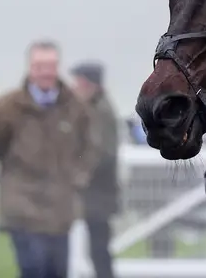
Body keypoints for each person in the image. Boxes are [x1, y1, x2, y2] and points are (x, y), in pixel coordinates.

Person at [0, 39, 100, 278]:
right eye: (40, 66)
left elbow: (91, 149)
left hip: (59, 211)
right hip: (21, 207)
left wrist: (78, 177)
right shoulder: (8, 108)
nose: (45, 72)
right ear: (30, 68)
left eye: (50, 66)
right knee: (34, 268)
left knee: (56, 271)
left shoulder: (76, 108)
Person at [69, 61, 119, 278]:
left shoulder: (101, 112)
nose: (74, 88)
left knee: (99, 251)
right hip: (96, 193)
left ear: (91, 85)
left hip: (98, 194)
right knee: (97, 250)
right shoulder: (96, 108)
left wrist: (78, 171)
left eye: (78, 83)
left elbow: (103, 154)